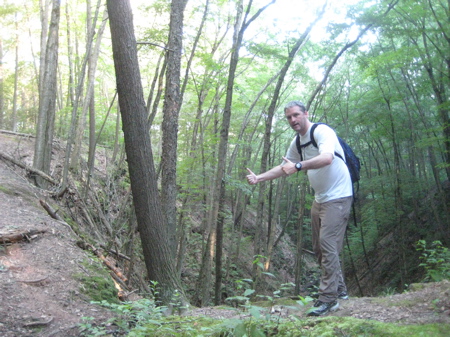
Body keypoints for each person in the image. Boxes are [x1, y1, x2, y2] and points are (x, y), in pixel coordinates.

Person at [246, 100, 353, 316]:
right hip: (320, 199)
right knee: (319, 248)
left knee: (328, 244)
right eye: (289, 117)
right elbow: (283, 167)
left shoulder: (322, 131)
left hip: (339, 196)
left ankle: (328, 299)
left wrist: (298, 166)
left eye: (296, 115)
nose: (293, 120)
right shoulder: (297, 142)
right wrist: (259, 178)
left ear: (306, 113)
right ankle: (339, 290)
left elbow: (327, 158)